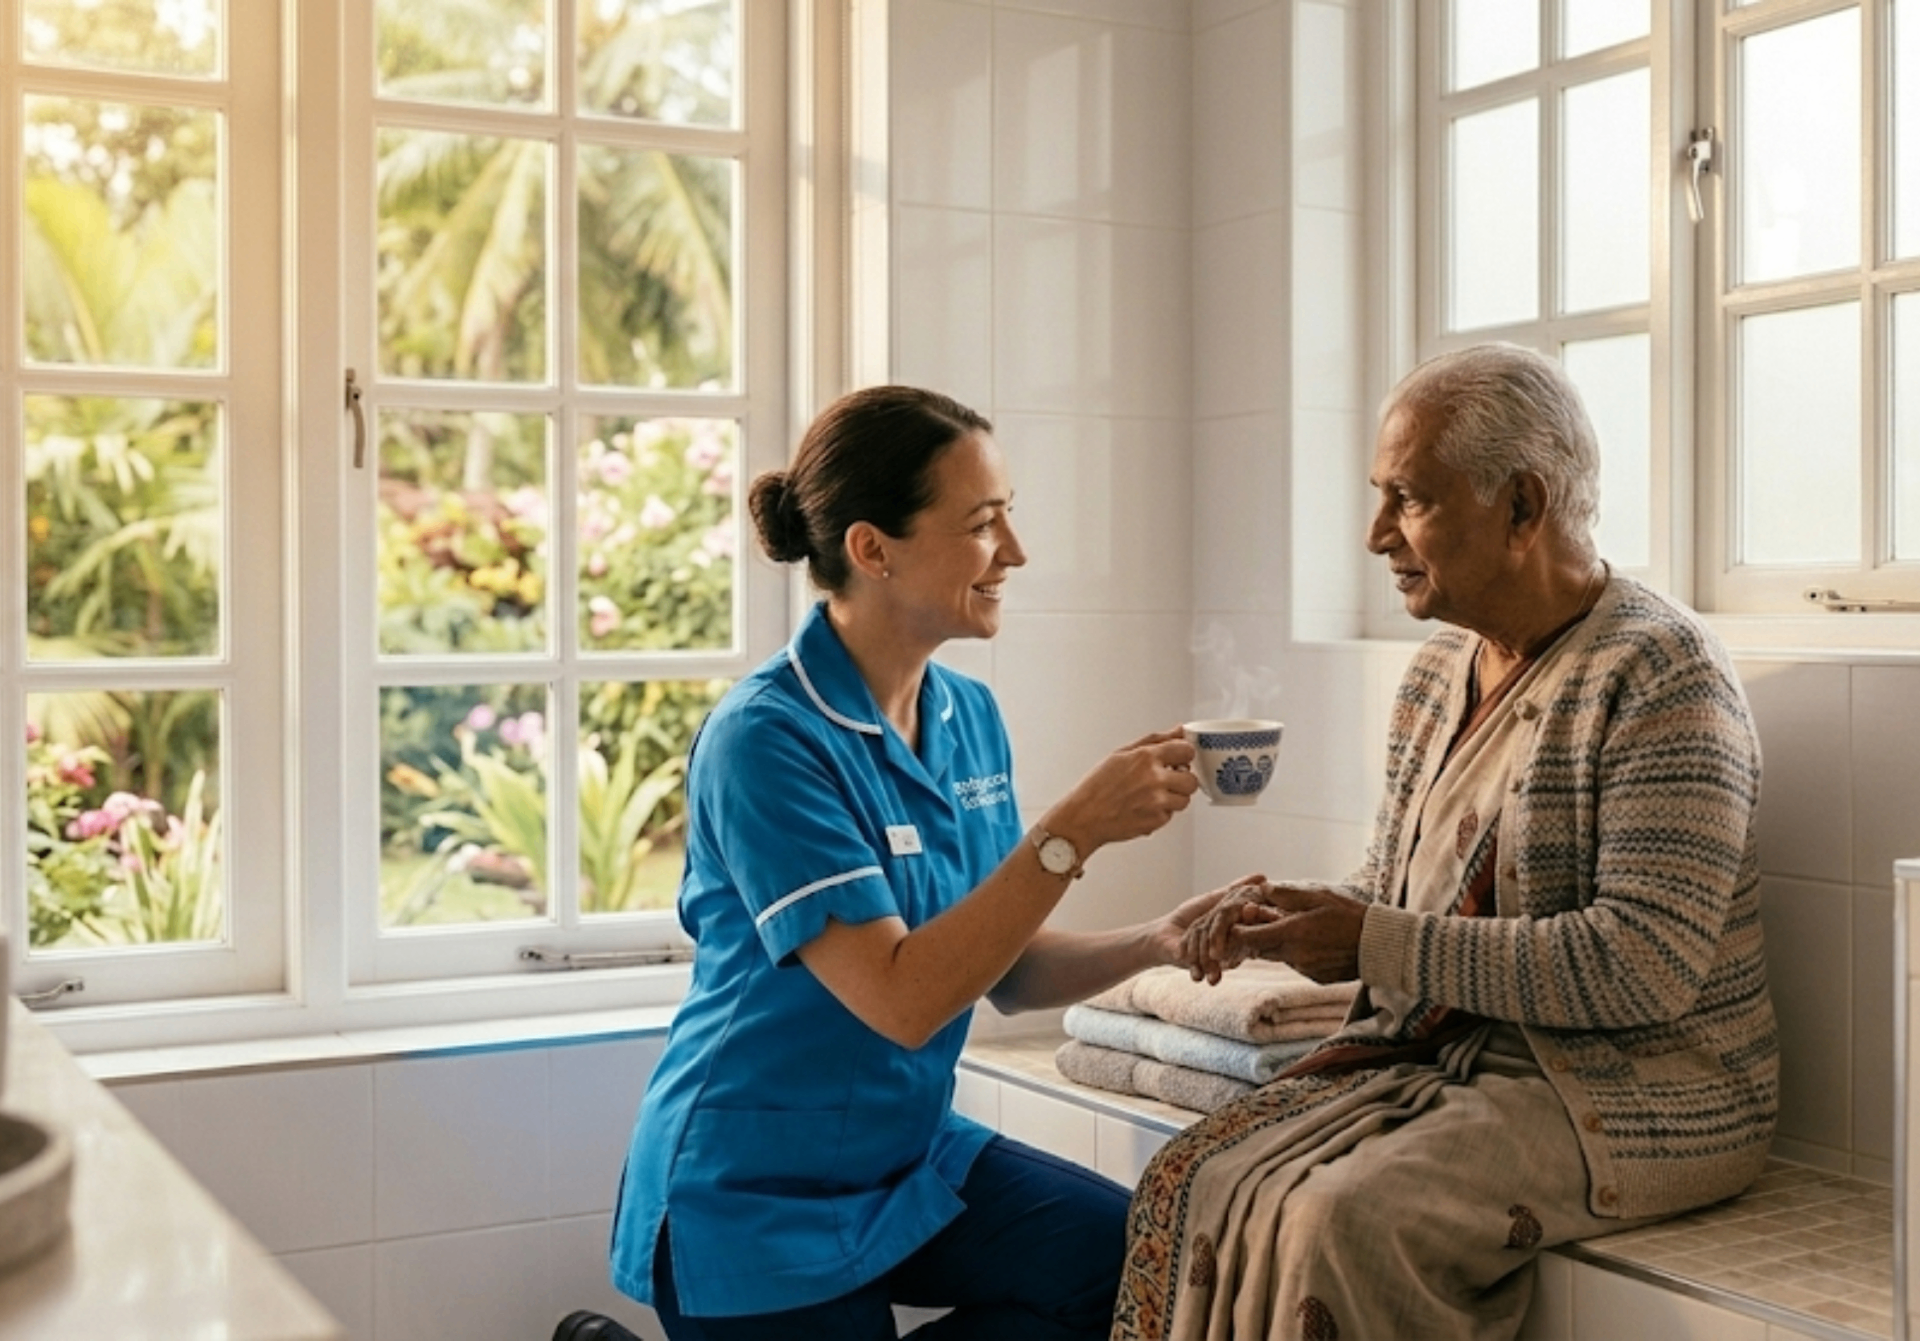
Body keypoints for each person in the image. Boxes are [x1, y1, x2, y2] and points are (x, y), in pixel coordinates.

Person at [1112, 344, 1777, 1341]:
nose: (1376, 533)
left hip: (1642, 1088)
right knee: (1191, 1170)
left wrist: (1367, 939)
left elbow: (1642, 969)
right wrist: (1283, 920)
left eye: (1408, 498)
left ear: (1521, 508)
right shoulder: (1435, 675)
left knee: (1345, 1217)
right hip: (1452, 1059)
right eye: (1380, 496)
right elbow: (1391, 893)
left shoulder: (1664, 674)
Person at [604, 385, 1212, 1341]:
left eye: (1009, 516)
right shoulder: (765, 739)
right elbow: (904, 997)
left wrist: (1161, 940)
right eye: (982, 523)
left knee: (1142, 1264)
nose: (1014, 551)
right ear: (871, 548)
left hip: (902, 1156)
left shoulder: (969, 718)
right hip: (753, 1190)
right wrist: (1071, 834)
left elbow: (1000, 968)